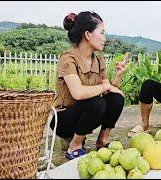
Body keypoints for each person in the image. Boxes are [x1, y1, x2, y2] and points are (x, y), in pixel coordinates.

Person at [50, 11, 128, 160]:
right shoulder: (68, 59)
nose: (105, 39)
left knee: (116, 98)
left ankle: (102, 141)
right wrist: (106, 87)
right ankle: (74, 146)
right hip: (64, 119)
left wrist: (117, 76)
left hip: (85, 114)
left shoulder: (98, 61)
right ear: (88, 34)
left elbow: (108, 90)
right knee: (96, 103)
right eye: (102, 33)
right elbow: (78, 93)